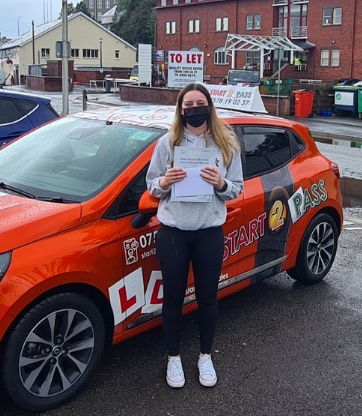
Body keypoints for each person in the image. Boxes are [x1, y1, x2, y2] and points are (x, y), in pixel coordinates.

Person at [146, 82, 244, 389]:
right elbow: (151, 187)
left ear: (209, 106)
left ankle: (204, 355)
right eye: (187, 105)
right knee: (173, 299)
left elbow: (237, 188)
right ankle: (173, 358)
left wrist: (220, 184)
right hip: (173, 232)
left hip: (208, 232)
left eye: (199, 103)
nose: (193, 109)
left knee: (207, 298)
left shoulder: (226, 144)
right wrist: (165, 180)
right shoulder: (167, 143)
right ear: (181, 110)